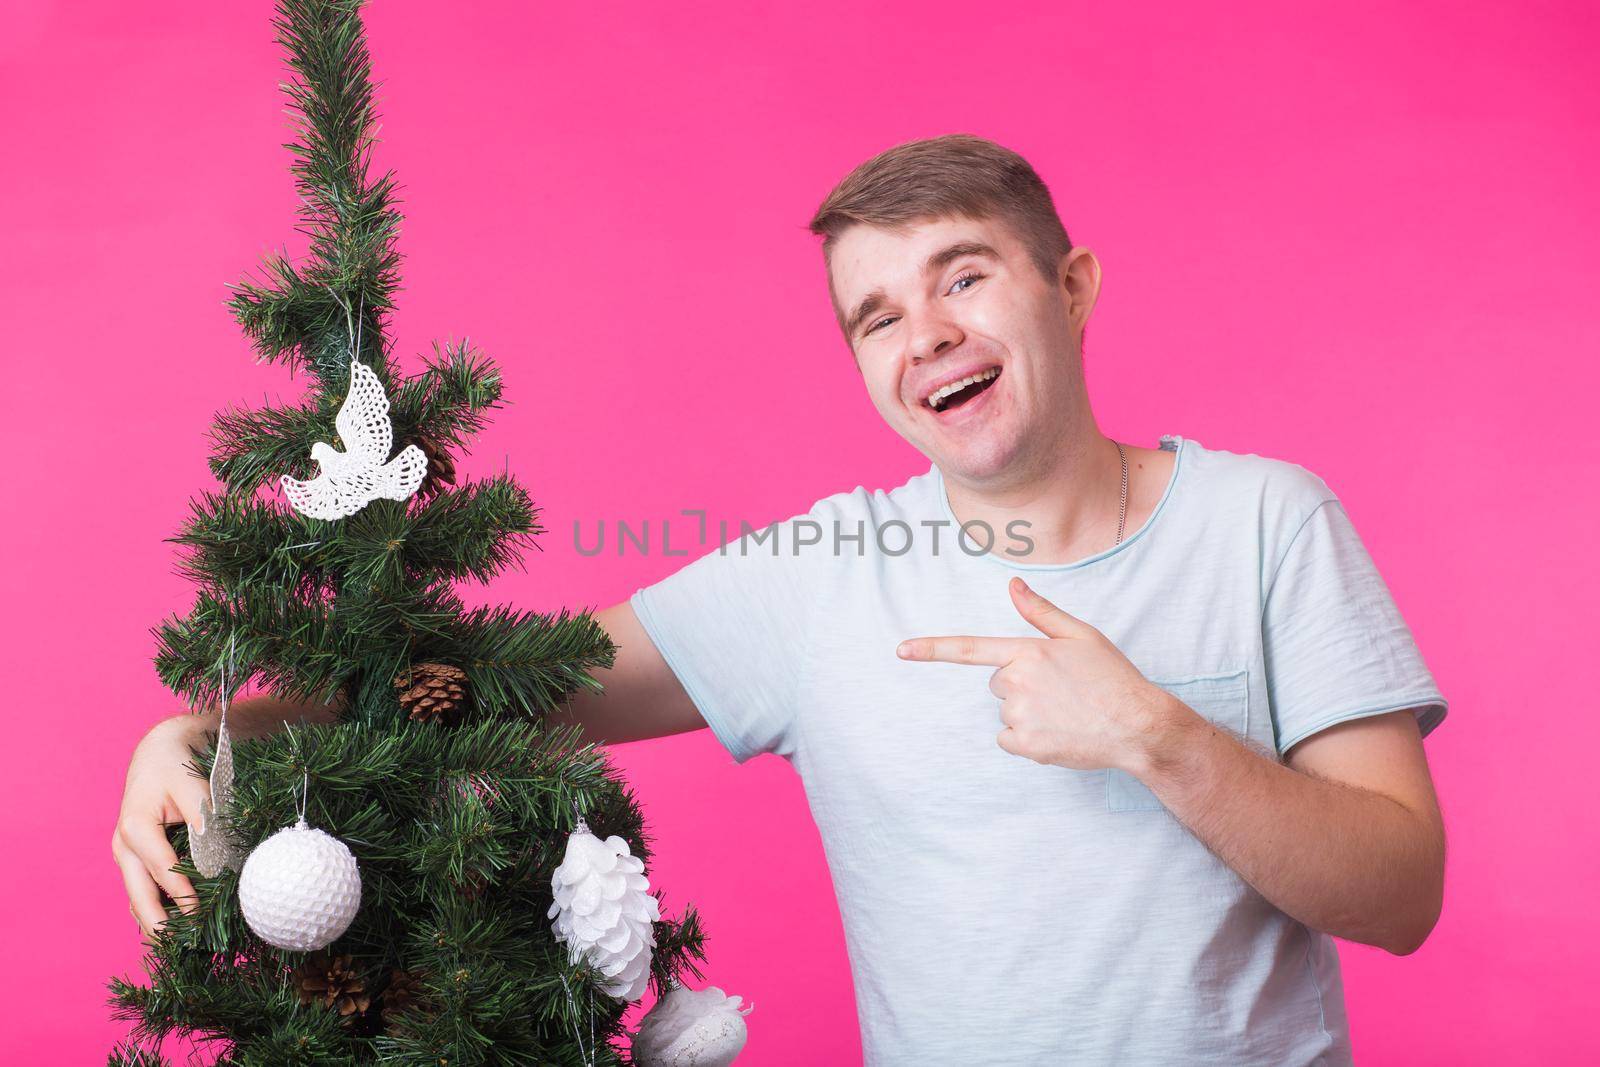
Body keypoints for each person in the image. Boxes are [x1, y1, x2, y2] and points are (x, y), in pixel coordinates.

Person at [114, 133, 1448, 1064]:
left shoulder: (1267, 520)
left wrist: (1160, 738)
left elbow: (1402, 893)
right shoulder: (818, 576)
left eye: (966, 276)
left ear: (1073, 288)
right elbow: (483, 685)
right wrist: (193, 741)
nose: (925, 334)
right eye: (877, 316)